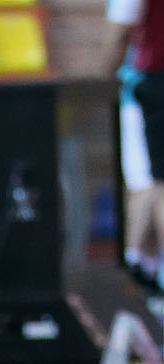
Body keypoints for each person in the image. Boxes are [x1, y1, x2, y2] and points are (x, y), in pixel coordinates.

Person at [107, 0, 164, 289]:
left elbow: (119, 31)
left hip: (153, 80)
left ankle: (138, 261)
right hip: (151, 82)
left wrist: (104, 74)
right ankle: (143, 262)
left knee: (154, 183)